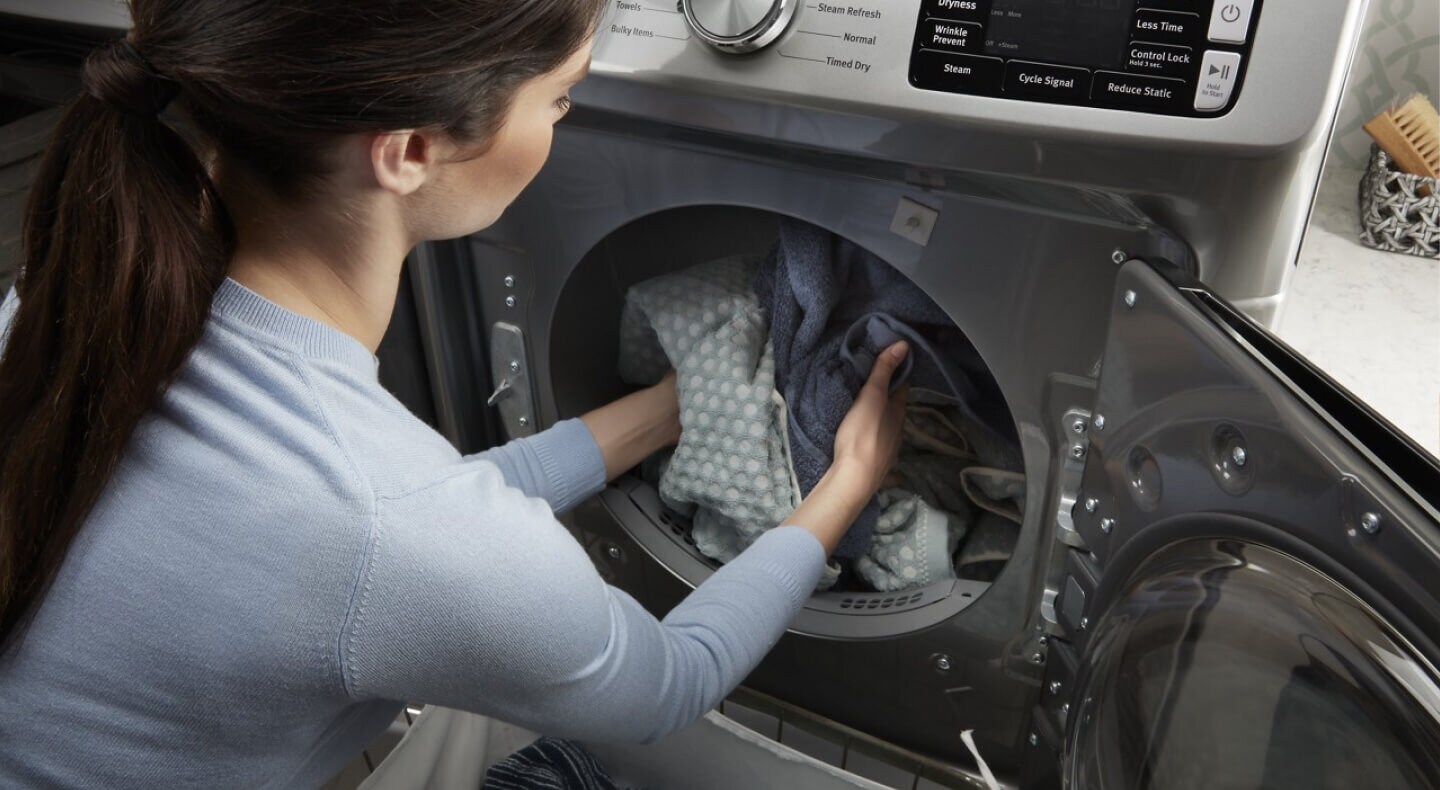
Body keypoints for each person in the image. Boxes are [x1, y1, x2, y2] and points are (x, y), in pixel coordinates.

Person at [0, 1, 910, 786]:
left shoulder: (64, 291)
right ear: (408, 151)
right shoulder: (387, 523)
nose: (564, 117)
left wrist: (675, 407)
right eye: (558, 96)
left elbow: (406, 524)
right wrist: (847, 484)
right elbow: (670, 679)